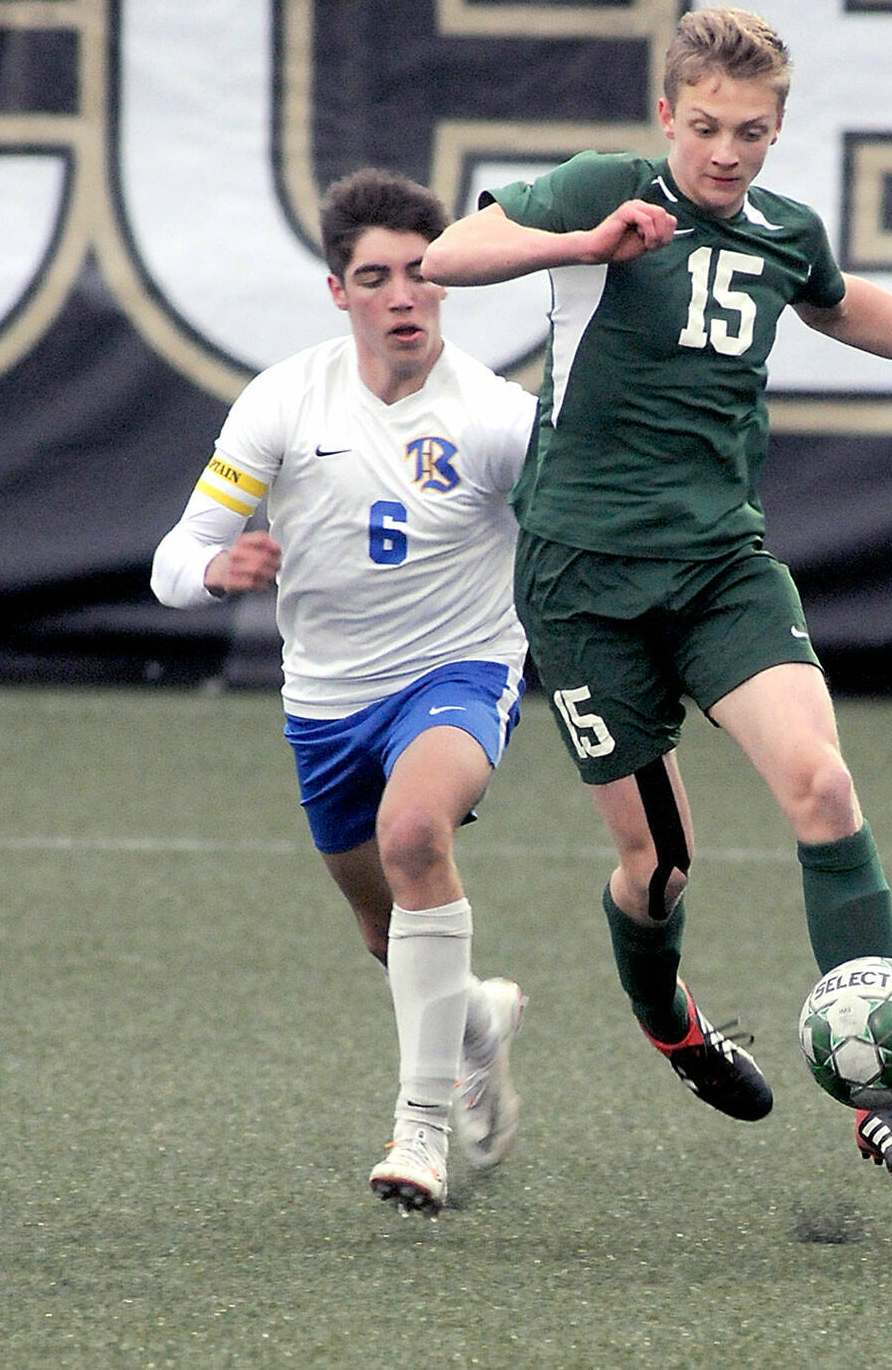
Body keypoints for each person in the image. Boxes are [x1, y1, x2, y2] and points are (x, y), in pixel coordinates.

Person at [420, 7, 892, 1184]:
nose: (725, 152)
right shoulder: (604, 188)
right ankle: (671, 1022)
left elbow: (832, 297)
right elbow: (445, 256)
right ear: (668, 115)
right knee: (659, 869)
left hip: (720, 566)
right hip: (580, 584)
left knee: (820, 783)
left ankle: (886, 1101)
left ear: (777, 132)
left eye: (752, 133)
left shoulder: (780, 229)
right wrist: (579, 244)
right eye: (707, 127)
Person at [151, 167, 537, 1215]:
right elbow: (176, 557)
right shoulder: (284, 400)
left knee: (417, 836)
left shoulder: (502, 419)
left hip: (459, 672)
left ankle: (418, 1134)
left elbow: (578, 537)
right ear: (338, 292)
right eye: (376, 276)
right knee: (385, 935)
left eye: (421, 271)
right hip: (326, 703)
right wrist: (212, 574)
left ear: (448, 282)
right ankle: (472, 1026)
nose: (402, 295)